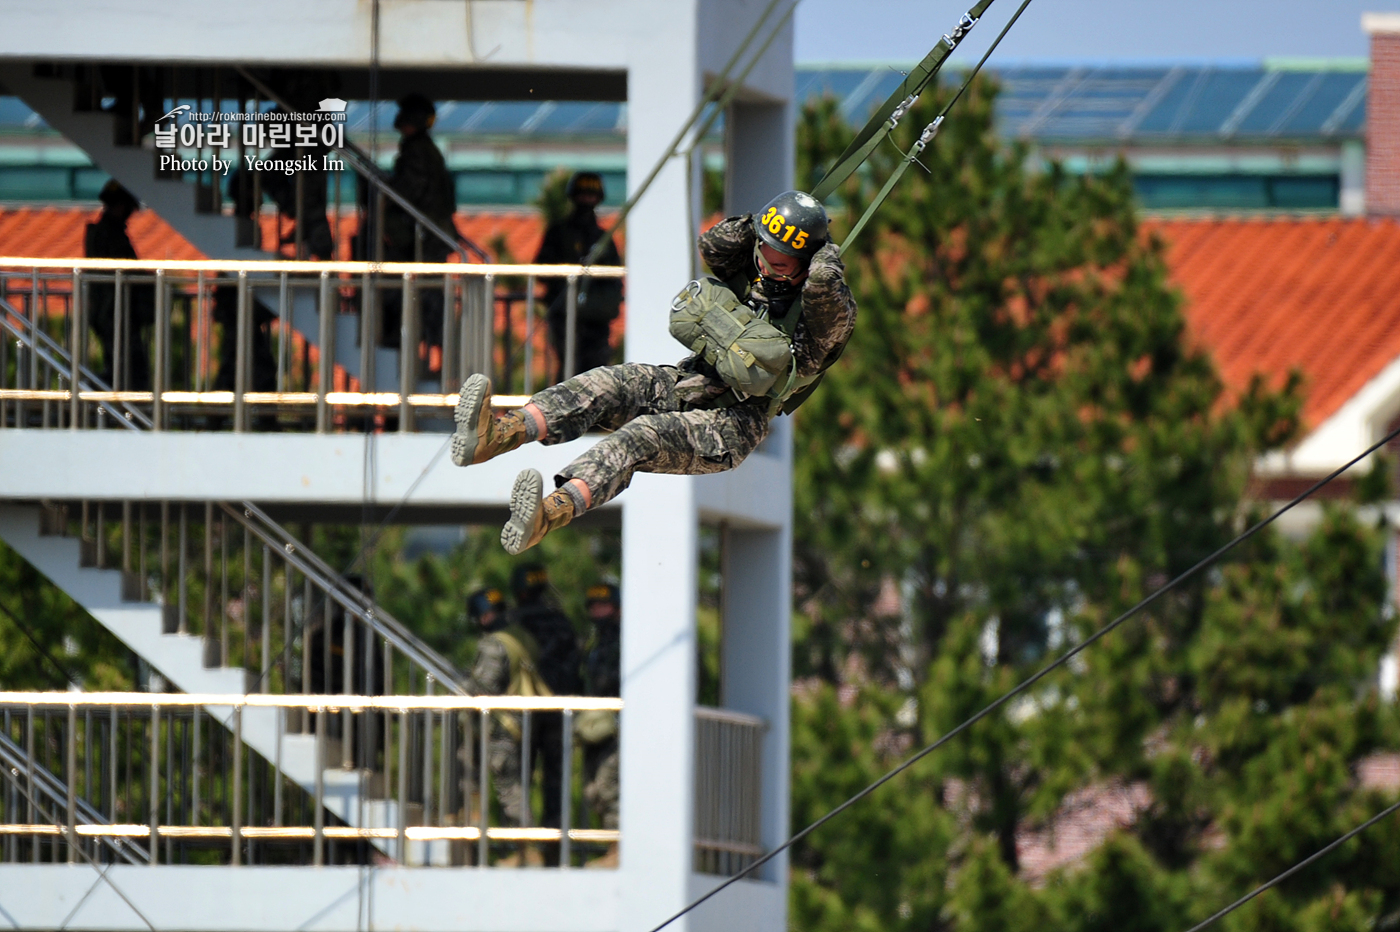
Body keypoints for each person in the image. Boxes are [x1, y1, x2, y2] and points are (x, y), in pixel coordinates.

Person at [449, 190, 856, 555]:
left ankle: (550, 513)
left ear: (804, 264)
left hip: (731, 423)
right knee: (605, 384)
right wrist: (763, 223)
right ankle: (498, 435)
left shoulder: (820, 320)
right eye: (763, 255)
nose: (766, 269)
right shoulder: (752, 267)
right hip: (687, 381)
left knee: (639, 438)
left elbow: (825, 291)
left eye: (781, 264)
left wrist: (821, 255)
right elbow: (713, 244)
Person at [379, 93, 457, 351]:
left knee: (427, 291)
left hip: (428, 235)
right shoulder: (425, 148)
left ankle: (435, 343)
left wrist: (386, 196)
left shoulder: (418, 150)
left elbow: (410, 189)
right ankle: (434, 343)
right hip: (431, 233)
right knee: (428, 290)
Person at [533, 172, 623, 380]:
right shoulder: (559, 233)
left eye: (591, 196)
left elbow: (614, 277)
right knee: (569, 367)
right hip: (565, 314)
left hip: (596, 319)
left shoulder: (603, 239)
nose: (587, 201)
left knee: (596, 369)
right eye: (583, 196)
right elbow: (542, 270)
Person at [84, 180, 154, 390]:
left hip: (115, 313)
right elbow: (125, 270)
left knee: (126, 370)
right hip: (114, 313)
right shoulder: (107, 235)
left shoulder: (107, 233)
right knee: (129, 372)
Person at [579, 583, 620, 835]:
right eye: (594, 607)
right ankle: (612, 846)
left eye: (603, 606)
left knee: (608, 786)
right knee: (594, 790)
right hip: (597, 727)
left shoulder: (625, 639)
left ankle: (619, 847)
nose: (598, 612)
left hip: (617, 727)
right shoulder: (595, 642)